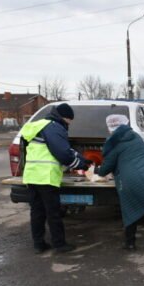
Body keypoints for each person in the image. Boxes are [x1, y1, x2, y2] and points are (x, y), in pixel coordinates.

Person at [21, 103, 91, 254]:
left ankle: (39, 244)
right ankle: (59, 244)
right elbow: (63, 154)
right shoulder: (54, 127)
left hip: (32, 175)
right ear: (65, 117)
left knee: (37, 212)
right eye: (70, 120)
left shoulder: (41, 125)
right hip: (46, 176)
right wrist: (82, 166)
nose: (69, 123)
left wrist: (82, 159)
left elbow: (64, 149)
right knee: (53, 212)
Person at [97, 114, 144, 250]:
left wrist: (96, 169)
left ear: (111, 128)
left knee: (131, 209)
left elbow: (105, 168)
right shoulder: (136, 136)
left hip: (131, 180)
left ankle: (130, 243)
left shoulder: (113, 142)